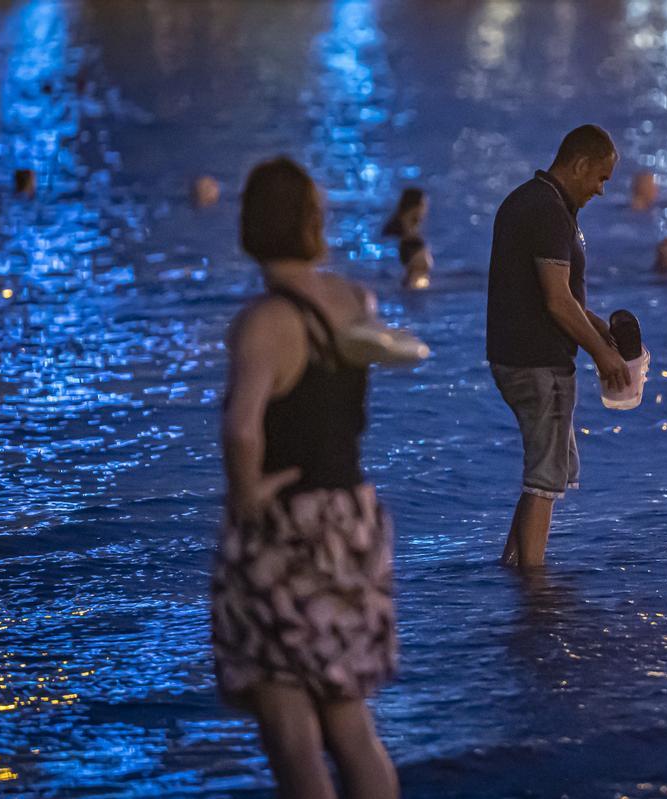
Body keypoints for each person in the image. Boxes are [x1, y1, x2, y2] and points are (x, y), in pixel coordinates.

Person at [213, 156, 399, 799]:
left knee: (291, 729)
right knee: (350, 721)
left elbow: (242, 429)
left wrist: (247, 498)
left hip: (287, 524)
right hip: (353, 517)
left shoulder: (263, 322)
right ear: (312, 223)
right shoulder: (355, 299)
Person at [486, 124, 630, 569]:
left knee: (541, 475)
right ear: (580, 164)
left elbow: (551, 294)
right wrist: (603, 354)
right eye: (601, 178)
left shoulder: (531, 200)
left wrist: (595, 324)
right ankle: (534, 589)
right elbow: (556, 299)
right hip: (537, 361)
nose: (601, 190)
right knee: (545, 479)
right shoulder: (548, 210)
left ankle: (511, 564)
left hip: (517, 355)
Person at [382, 187, 433, 289]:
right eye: (423, 204)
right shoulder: (407, 236)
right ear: (415, 206)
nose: (426, 208)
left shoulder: (412, 231)